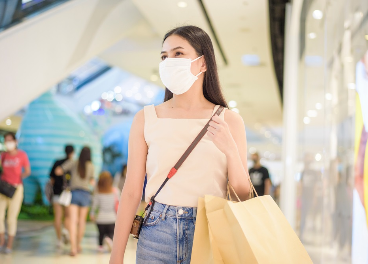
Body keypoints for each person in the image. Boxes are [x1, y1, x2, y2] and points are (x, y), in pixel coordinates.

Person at [109, 25, 251, 264]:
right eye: (164, 56)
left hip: (211, 231)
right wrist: (116, 255)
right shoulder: (146, 118)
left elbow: (243, 194)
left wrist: (231, 150)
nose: (168, 62)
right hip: (156, 232)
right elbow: (132, 190)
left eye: (178, 54)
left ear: (203, 63)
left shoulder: (229, 120)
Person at [55, 146, 95, 256]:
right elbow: (92, 182)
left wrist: (66, 176)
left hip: (74, 193)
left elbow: (58, 171)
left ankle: (72, 249)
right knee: (82, 222)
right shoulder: (91, 166)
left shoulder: (73, 162)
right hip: (86, 194)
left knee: (73, 221)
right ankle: (78, 245)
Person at [0, 132, 31, 254]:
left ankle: (9, 245)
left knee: (11, 218)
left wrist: (18, 178)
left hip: (16, 189)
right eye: (6, 141)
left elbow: (27, 171)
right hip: (3, 188)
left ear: (15, 141)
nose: (8, 143)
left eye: (10, 140)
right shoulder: (3, 155)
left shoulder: (22, 155)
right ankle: (1, 240)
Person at [49, 144, 74, 248]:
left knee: (58, 217)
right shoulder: (73, 164)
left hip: (57, 193)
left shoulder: (57, 162)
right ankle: (65, 230)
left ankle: (59, 239)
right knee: (68, 215)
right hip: (68, 193)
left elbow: (51, 180)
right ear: (72, 152)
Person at [90, 171, 119, 253]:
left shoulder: (97, 192)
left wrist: (92, 214)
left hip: (100, 218)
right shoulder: (115, 191)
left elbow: (94, 205)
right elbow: (119, 203)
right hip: (112, 218)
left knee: (100, 234)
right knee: (110, 233)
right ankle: (109, 240)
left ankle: (100, 247)